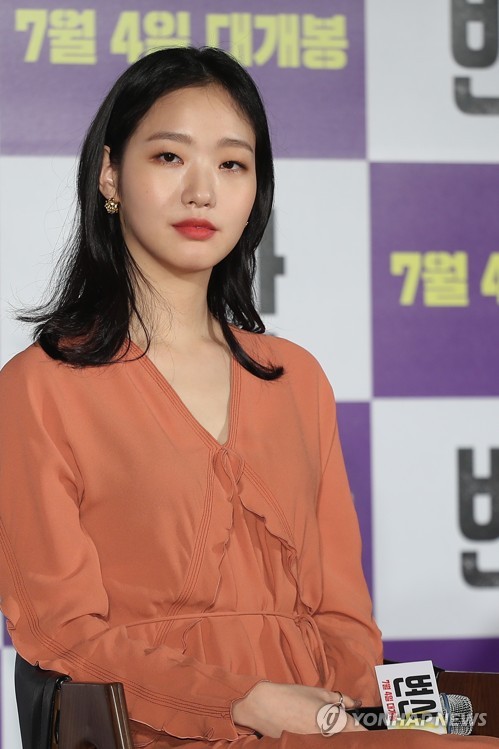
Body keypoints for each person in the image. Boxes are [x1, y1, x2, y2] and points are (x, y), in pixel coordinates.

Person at [0, 46, 496, 749]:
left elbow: (345, 617)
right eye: (169, 157)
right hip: (158, 727)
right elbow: (61, 633)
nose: (202, 191)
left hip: (325, 725)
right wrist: (243, 702)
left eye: (232, 164)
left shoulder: (295, 377)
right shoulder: (38, 388)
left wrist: (341, 720)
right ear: (110, 174)